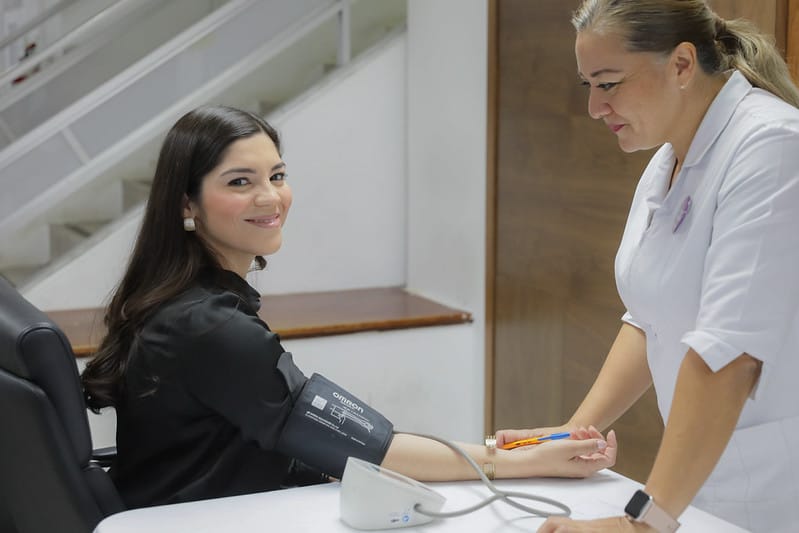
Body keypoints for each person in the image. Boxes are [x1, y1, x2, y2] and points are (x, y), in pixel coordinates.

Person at [80, 105, 616, 510]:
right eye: (240, 182)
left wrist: (508, 451)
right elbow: (370, 447)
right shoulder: (209, 326)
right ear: (186, 202)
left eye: (277, 176)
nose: (270, 198)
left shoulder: (184, 304)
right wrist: (517, 462)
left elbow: (343, 439)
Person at [496, 1, 799, 532]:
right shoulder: (669, 158)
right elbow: (649, 316)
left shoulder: (772, 146)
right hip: (698, 484)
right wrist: (570, 434)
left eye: (608, 84)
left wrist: (640, 524)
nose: (594, 107)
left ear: (681, 64)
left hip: (773, 489)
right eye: (588, 85)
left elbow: (730, 355)